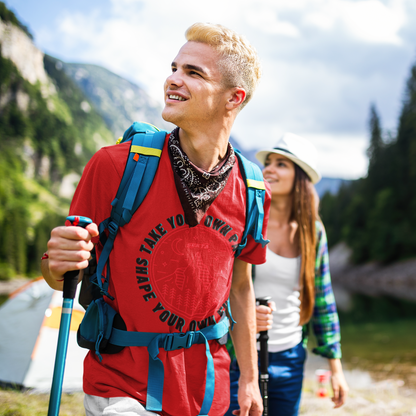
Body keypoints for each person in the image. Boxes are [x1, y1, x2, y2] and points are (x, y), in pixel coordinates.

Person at [41, 23, 271, 416]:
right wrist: (57, 263)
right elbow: (60, 274)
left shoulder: (252, 190)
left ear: (234, 98)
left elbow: (241, 289)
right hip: (121, 386)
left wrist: (248, 379)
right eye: (175, 67)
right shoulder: (116, 165)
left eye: (193, 73)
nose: (173, 79)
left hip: (209, 393)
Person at [226, 133, 349, 416]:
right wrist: (242, 315)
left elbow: (323, 301)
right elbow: (221, 288)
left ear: (301, 178)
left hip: (291, 357)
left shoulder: (313, 232)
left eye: (281, 164)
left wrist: (335, 368)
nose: (269, 168)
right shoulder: (245, 222)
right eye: (268, 162)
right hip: (239, 355)